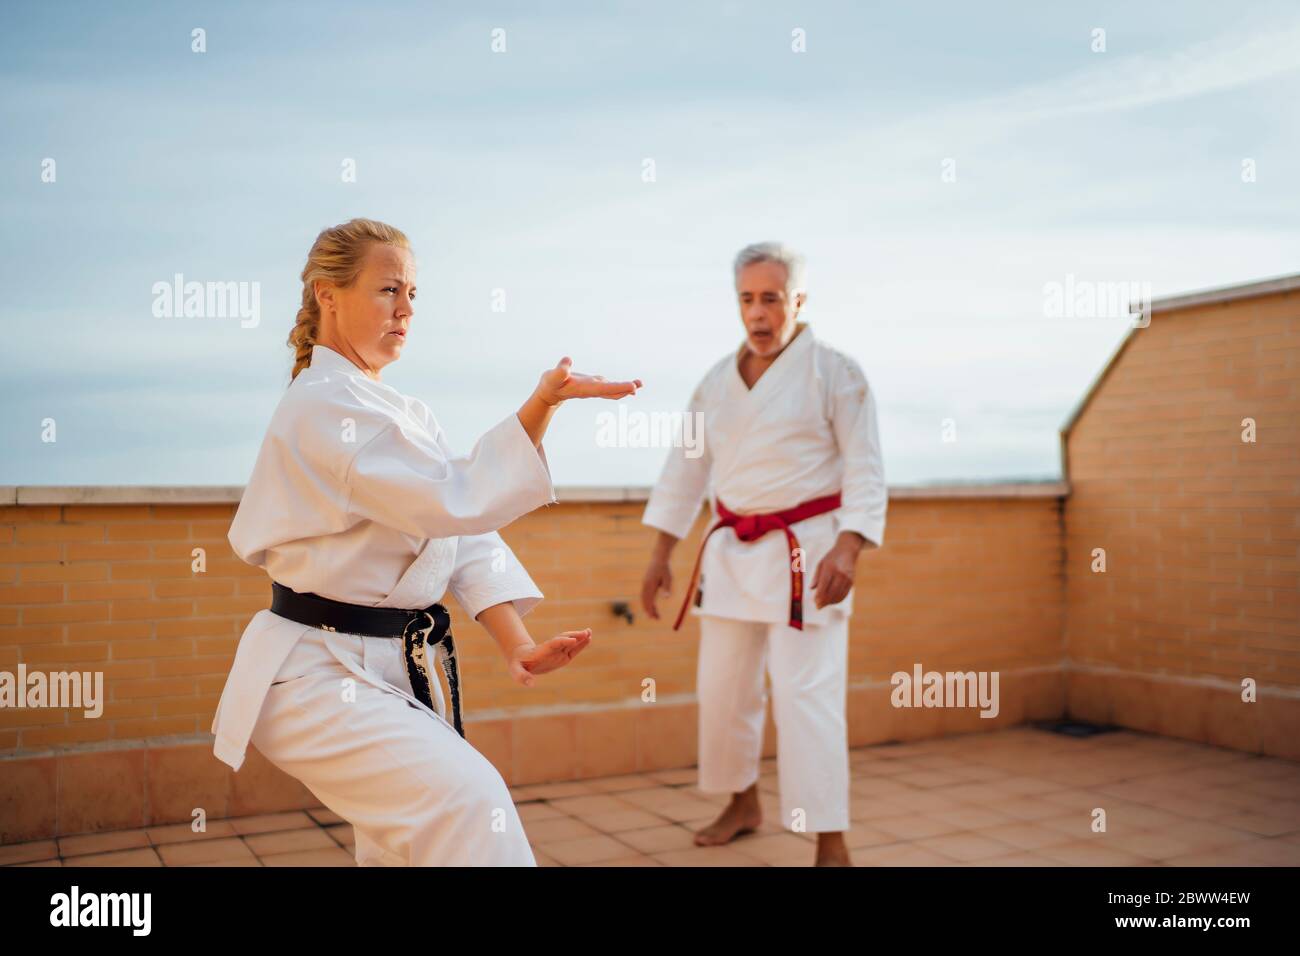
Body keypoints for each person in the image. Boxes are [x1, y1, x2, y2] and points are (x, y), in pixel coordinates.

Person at [211, 217, 641, 866]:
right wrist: (541, 407)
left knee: (403, 851)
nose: (406, 309)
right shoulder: (322, 404)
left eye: (413, 294)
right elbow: (454, 497)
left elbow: (462, 536)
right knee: (472, 805)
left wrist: (516, 644)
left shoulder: (405, 414)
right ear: (328, 295)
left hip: (386, 675)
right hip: (317, 675)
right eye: (388, 290)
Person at [640, 242, 886, 867]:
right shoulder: (717, 381)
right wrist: (660, 553)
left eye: (771, 298)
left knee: (808, 697)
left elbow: (865, 468)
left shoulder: (837, 372)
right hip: (729, 556)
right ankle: (742, 801)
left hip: (807, 557)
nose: (758, 313)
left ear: (797, 301)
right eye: (747, 299)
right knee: (723, 691)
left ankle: (831, 838)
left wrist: (850, 548)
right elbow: (685, 470)